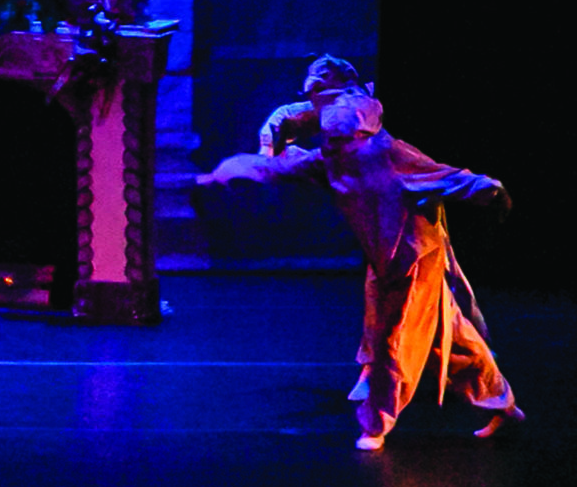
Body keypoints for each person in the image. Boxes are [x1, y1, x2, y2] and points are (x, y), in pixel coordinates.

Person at [201, 56, 520, 451]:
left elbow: (444, 175)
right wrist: (226, 172)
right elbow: (278, 167)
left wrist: (491, 190)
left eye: (339, 130)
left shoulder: (385, 152)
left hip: (413, 254)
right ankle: (502, 404)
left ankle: (377, 424)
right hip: (385, 257)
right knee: (451, 336)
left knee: (391, 338)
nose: (333, 137)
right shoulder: (331, 159)